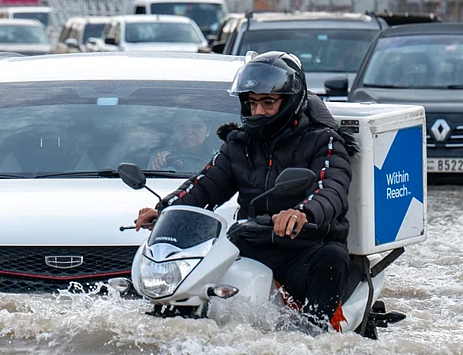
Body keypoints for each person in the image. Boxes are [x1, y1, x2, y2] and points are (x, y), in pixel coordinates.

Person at [134, 51, 355, 332]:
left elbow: (331, 189)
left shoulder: (324, 141)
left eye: (268, 102)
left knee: (332, 259)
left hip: (306, 248)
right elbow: (205, 184)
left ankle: (317, 340)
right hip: (251, 241)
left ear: (291, 100)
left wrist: (302, 213)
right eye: (252, 103)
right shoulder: (240, 144)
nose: (258, 111)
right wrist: (164, 209)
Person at [148, 114, 217, 171]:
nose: (188, 132)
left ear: (208, 131)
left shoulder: (220, 158)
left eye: (196, 126)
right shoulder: (160, 156)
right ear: (174, 130)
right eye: (182, 126)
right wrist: (160, 164)